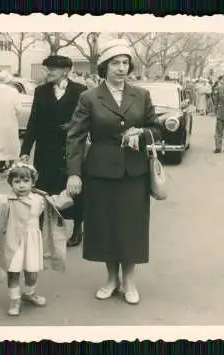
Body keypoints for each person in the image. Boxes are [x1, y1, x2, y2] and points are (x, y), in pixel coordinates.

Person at [66, 39, 160, 305]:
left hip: (134, 173)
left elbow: (156, 129)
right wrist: (74, 173)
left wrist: (141, 133)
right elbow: (75, 137)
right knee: (106, 226)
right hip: (100, 171)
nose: (121, 68)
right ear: (104, 67)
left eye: (125, 63)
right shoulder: (89, 97)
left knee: (131, 226)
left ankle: (129, 280)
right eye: (115, 63)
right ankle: (111, 279)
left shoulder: (141, 95)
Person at [0, 163, 73, 316]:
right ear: (11, 184)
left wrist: (68, 194)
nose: (21, 185)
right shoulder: (7, 200)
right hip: (14, 242)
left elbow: (56, 202)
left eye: (26, 181)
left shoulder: (39, 199)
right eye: (17, 182)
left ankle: (29, 293)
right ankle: (15, 299)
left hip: (32, 241)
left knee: (32, 271)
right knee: (13, 272)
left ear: (33, 182)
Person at [20, 54, 87, 248]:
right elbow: (33, 121)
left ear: (66, 71)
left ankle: (77, 229)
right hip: (45, 150)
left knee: (73, 191)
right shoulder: (41, 91)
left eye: (52, 69)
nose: (48, 72)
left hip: (70, 151)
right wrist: (25, 150)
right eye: (46, 69)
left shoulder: (80, 91)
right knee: (43, 190)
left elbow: (86, 120)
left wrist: (73, 126)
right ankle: (39, 231)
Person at [0, 70, 21, 178]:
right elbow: (19, 109)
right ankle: (13, 168)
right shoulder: (14, 91)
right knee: (12, 145)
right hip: (10, 122)